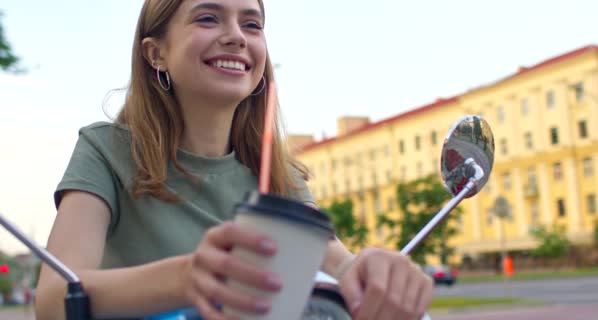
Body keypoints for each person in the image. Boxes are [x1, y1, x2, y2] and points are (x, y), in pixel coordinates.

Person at [35, 0, 433, 319]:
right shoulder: (105, 149)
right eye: (208, 17)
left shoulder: (279, 172)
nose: (236, 37)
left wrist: (374, 274)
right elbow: (53, 301)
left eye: (252, 24)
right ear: (156, 53)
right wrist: (190, 277)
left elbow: (339, 267)